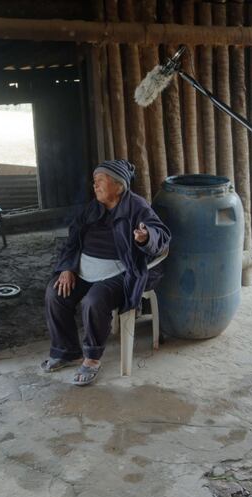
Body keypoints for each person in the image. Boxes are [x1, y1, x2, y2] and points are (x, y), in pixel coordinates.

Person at [41, 160, 171, 386]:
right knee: (55, 294)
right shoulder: (93, 208)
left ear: (119, 186)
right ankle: (66, 351)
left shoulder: (137, 207)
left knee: (94, 300)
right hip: (85, 267)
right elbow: (72, 240)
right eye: (94, 181)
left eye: (100, 181)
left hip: (119, 271)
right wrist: (67, 267)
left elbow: (162, 236)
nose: (95, 185)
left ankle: (92, 358)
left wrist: (146, 237)